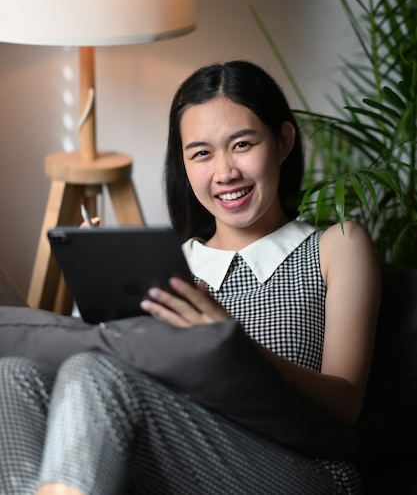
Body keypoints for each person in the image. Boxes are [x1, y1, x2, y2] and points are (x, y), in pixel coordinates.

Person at [0, 60, 380, 495]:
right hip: (183, 460)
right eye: (201, 153)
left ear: (283, 141)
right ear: (183, 163)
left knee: (94, 372)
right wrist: (101, 299)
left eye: (241, 144)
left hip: (303, 468)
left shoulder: (336, 246)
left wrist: (228, 340)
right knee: (12, 377)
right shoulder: (170, 267)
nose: (224, 172)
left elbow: (346, 403)